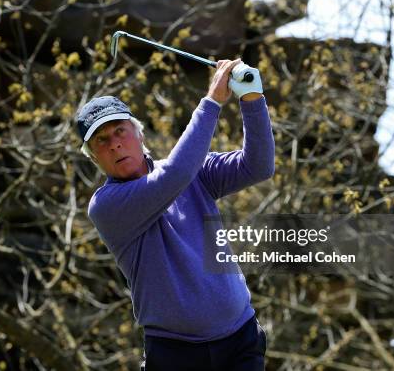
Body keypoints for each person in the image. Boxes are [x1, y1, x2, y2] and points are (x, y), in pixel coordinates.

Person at [76, 59, 275, 370]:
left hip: (240, 340)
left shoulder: (191, 170)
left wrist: (252, 98)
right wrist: (211, 102)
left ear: (138, 134)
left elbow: (258, 166)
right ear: (93, 156)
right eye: (102, 140)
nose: (115, 144)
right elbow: (173, 176)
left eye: (120, 131)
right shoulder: (106, 205)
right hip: (175, 356)